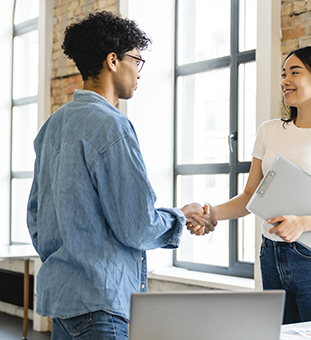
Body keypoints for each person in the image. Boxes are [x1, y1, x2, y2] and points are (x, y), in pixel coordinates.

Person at [27, 11, 216, 340]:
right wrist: (180, 216)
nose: (140, 72)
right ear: (113, 60)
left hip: (62, 302)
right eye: (137, 60)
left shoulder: (52, 127)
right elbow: (137, 225)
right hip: (102, 303)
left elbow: (36, 219)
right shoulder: (112, 126)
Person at [189, 46, 311, 324]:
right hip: (271, 255)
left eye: (294, 72)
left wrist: (303, 223)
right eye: (284, 74)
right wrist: (211, 214)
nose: (285, 80)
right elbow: (250, 196)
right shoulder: (269, 130)